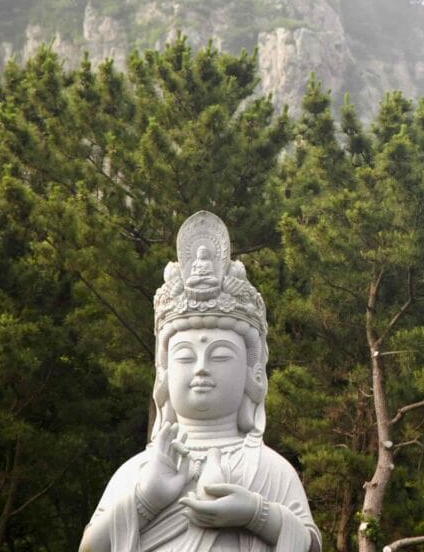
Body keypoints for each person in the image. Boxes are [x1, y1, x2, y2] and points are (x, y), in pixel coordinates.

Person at [80, 212, 321, 552]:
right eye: (185, 357)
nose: (202, 369)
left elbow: (309, 545)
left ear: (252, 375)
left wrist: (257, 514)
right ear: (163, 372)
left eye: (221, 356)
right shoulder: (140, 471)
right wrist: (145, 500)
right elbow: (90, 548)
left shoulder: (270, 469)